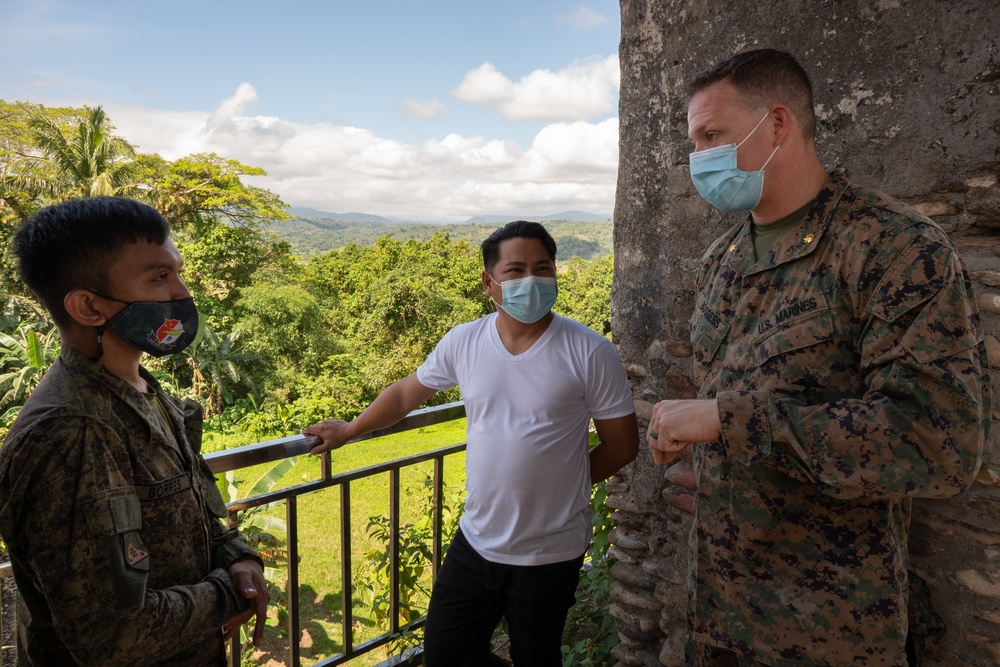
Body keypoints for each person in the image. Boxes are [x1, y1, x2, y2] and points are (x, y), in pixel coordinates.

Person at [647, 49, 990, 666]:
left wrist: (728, 420)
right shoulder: (721, 263)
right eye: (694, 143)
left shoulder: (893, 248)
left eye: (713, 136)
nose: (699, 159)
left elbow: (939, 446)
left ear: (777, 124)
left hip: (827, 632)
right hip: (719, 613)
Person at [304, 220, 639, 667]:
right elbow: (408, 392)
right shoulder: (464, 341)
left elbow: (622, 445)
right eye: (516, 270)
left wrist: (567, 485)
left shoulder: (590, 351)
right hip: (477, 539)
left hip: (550, 550)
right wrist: (350, 429)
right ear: (489, 282)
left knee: (536, 657)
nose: (531, 280)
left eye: (543, 268)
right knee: (447, 654)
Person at [0, 197, 270, 666]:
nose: (181, 293)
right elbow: (111, 635)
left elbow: (195, 506)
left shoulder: (143, 390)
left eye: (177, 273)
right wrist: (228, 593)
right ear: (88, 306)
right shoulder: (69, 432)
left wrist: (239, 556)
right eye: (159, 278)